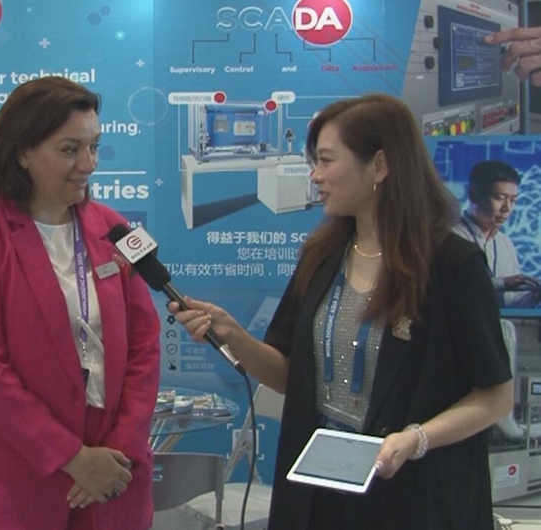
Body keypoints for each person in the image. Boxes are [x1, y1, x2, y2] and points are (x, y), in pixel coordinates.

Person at [170, 94, 513, 530]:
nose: (315, 175)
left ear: (380, 166)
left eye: (327, 161)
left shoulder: (452, 265)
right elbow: (292, 376)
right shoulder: (322, 256)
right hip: (320, 493)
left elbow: (495, 396)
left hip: (414, 497)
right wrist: (234, 336)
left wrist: (417, 439)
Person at [0, 76, 161, 530]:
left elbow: (145, 344)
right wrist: (72, 457)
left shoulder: (111, 226)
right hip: (15, 481)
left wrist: (120, 449)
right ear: (22, 152)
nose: (89, 164)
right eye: (70, 149)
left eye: (94, 147)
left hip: (110, 478)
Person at [454, 160, 541, 308]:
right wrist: (502, 283)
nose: (507, 208)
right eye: (499, 198)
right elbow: (449, 288)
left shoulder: (505, 243)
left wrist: (535, 296)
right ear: (473, 195)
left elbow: (513, 303)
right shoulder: (449, 236)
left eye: (513, 200)